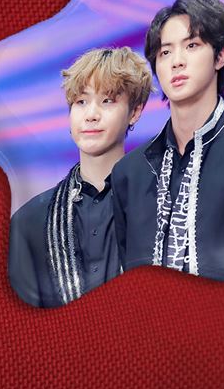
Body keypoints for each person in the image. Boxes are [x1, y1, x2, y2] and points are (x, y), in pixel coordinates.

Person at [111, 0, 224, 281]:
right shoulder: (129, 172)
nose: (176, 62)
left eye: (192, 46)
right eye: (165, 52)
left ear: (220, 56)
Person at [8, 46, 153, 307]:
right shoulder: (29, 222)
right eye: (81, 101)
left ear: (135, 112)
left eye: (107, 100)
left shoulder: (165, 205)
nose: (91, 115)